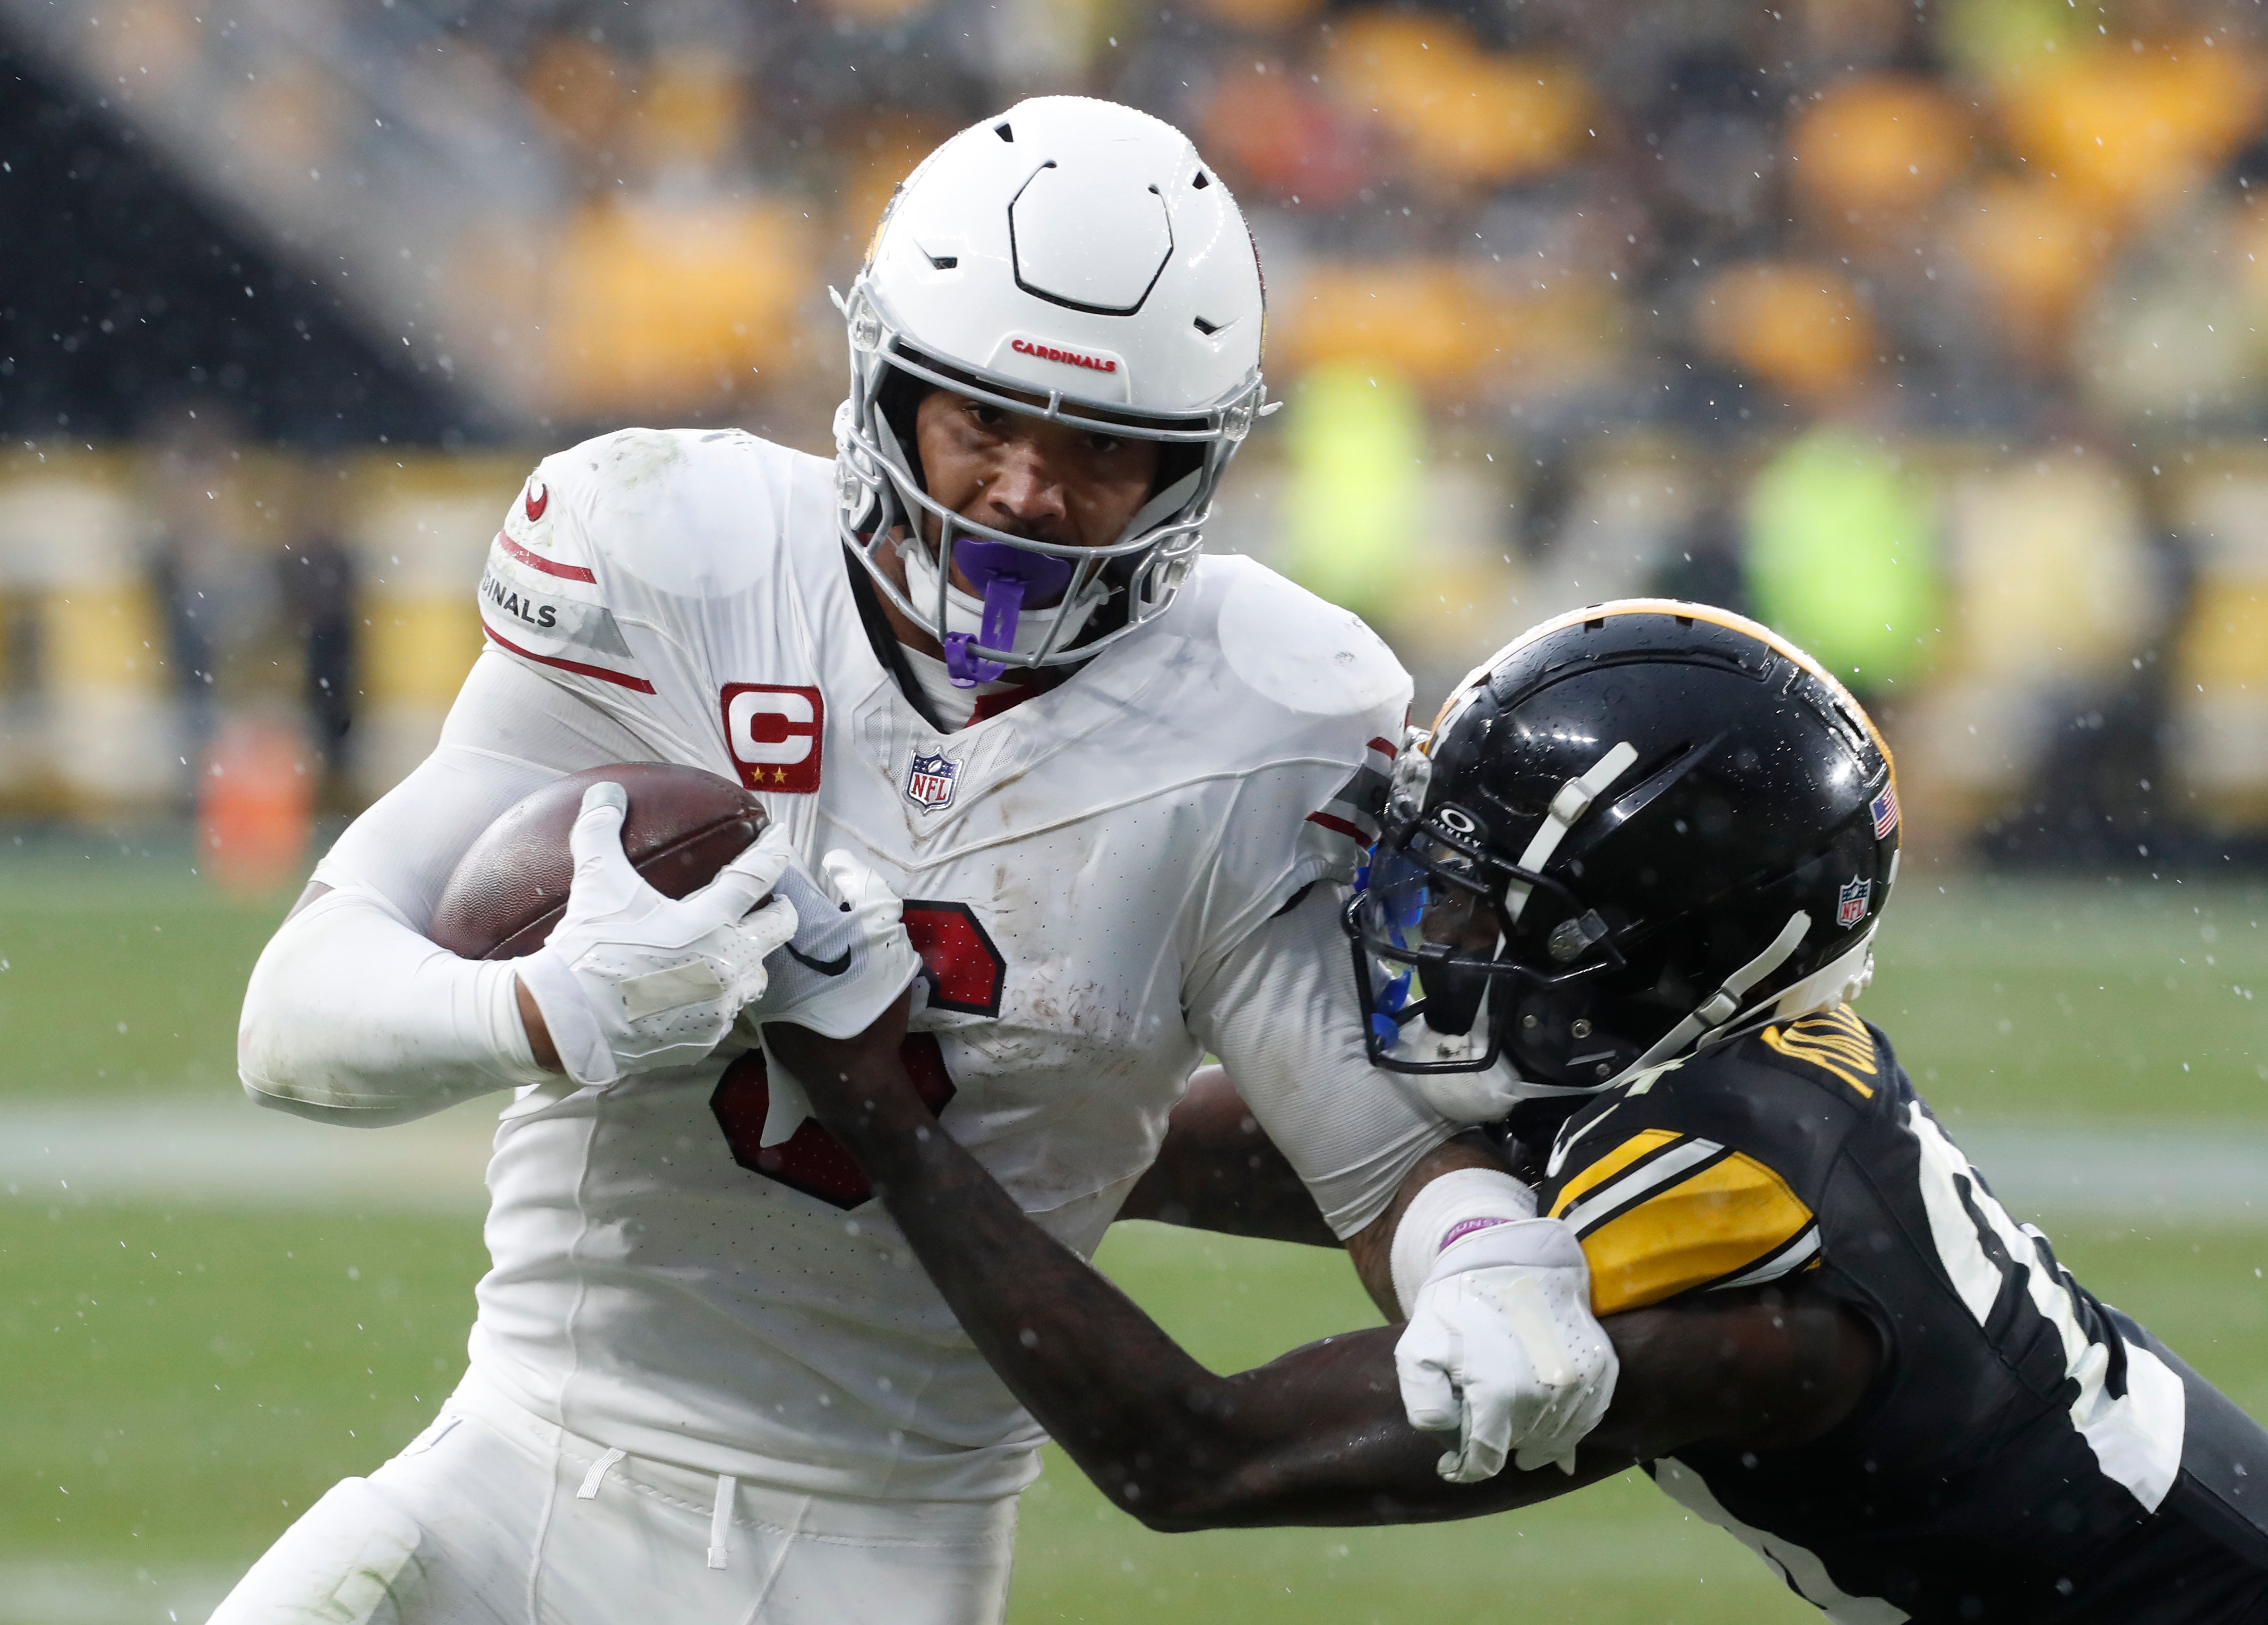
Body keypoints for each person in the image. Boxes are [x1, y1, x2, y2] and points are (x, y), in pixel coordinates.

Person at [214, 98, 1615, 1624]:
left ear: (1193, 465)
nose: (1027, 489)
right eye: (985, 422)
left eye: (1101, 446)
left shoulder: (1273, 708)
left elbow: (1375, 1147)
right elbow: (294, 1021)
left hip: (887, 1547)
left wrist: (1490, 1266)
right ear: (884, 387)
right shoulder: (671, 548)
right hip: (516, 1471)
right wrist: (548, 1012)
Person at [765, 601, 2268, 1624]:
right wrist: (1004, 1101)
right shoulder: (1685, 1061)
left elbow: (1195, 1452)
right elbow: (1339, 1158)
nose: (1434, 923)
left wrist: (892, 1129)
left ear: (1663, 946)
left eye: (1493, 901)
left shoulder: (1752, 1278)